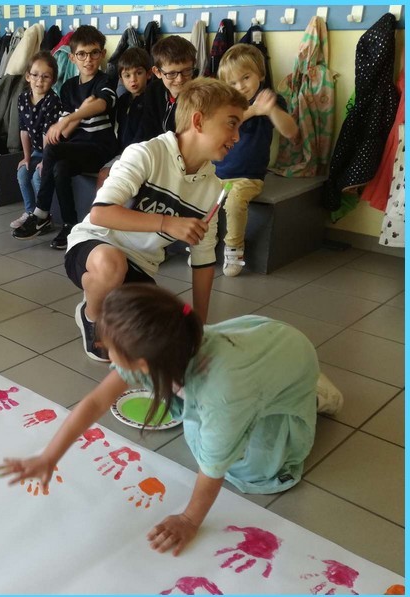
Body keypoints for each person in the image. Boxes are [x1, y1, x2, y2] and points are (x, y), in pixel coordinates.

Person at [0, 284, 344, 557]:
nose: (104, 349)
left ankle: (316, 394)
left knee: (253, 469)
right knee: (203, 429)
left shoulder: (222, 396)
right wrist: (49, 456)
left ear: (143, 364)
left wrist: (189, 519)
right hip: (259, 340)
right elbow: (96, 401)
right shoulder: (167, 344)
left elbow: (214, 468)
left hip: (290, 358)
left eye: (108, 347)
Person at [64, 78, 249, 361]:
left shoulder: (212, 188)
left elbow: (203, 261)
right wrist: (166, 223)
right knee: (111, 264)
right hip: (94, 244)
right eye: (231, 124)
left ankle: (113, 305)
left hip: (140, 266)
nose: (236, 137)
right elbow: (101, 213)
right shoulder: (146, 153)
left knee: (167, 331)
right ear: (198, 121)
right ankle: (91, 315)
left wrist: (199, 325)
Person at [12, 25, 117, 250]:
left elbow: (101, 104)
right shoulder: (69, 87)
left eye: (94, 53)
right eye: (82, 54)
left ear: (102, 54)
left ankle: (40, 212)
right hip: (77, 147)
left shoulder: (105, 81)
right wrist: (75, 117)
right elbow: (65, 132)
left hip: (100, 149)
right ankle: (70, 225)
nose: (88, 60)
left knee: (53, 148)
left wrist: (72, 117)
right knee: (59, 167)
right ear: (72, 58)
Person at [215, 44, 299, 276]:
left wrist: (271, 110)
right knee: (200, 201)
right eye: (233, 82)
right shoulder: (226, 104)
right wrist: (254, 110)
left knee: (234, 203)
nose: (241, 86)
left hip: (248, 177)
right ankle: (203, 244)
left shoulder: (271, 100)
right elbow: (226, 123)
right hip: (217, 174)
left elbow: (290, 131)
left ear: (260, 74)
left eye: (246, 77)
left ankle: (234, 249)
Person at [10, 51, 62, 230]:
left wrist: (44, 161)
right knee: (22, 173)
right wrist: (26, 157)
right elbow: (24, 130)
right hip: (37, 151)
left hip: (52, 150)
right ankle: (30, 212)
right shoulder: (23, 99)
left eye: (46, 76)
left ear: (53, 80)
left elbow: (48, 134)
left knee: (37, 177)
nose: (40, 80)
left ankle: (43, 216)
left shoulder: (52, 100)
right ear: (27, 76)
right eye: (35, 75)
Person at [95, 47, 153, 190]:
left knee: (106, 175)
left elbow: (144, 135)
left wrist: (126, 157)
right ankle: (101, 205)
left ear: (149, 74)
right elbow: (116, 130)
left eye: (138, 73)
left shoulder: (151, 99)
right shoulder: (122, 100)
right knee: (103, 174)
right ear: (121, 79)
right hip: (122, 152)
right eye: (127, 75)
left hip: (141, 154)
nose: (133, 79)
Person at [140, 36, 197, 142]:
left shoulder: (200, 95)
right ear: (157, 72)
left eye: (187, 71)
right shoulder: (153, 91)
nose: (180, 79)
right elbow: (147, 132)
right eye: (171, 73)